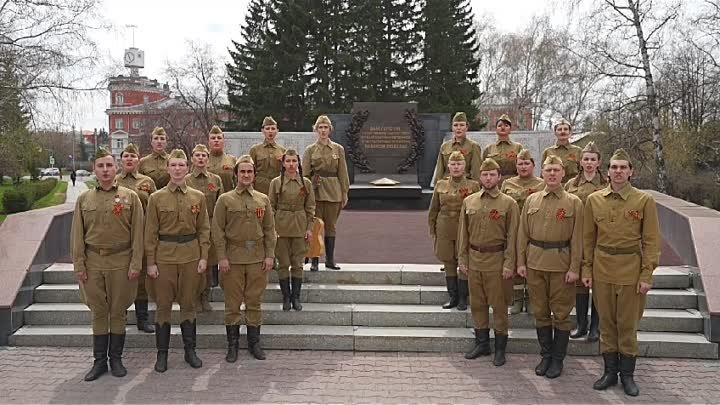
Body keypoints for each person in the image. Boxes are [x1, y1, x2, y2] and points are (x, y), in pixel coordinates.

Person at [583, 148, 660, 397]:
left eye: (623, 167)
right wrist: (587, 268)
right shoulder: (594, 200)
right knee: (606, 324)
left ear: (631, 172)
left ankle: (627, 376)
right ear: (607, 172)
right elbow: (587, 239)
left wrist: (647, 274)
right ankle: (609, 372)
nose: (618, 171)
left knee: (627, 325)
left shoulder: (643, 201)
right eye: (614, 167)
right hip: (602, 268)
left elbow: (651, 241)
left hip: (630, 269)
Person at [70, 147, 143, 381]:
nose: (105, 170)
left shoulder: (130, 197)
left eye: (109, 165)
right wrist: (79, 265)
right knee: (99, 311)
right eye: (100, 166)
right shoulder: (84, 199)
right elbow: (77, 235)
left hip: (121, 262)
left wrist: (135, 264)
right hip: (93, 263)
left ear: (116, 168)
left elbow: (138, 234)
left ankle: (117, 359)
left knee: (118, 311)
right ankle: (99, 361)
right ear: (94, 169)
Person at [517, 155, 583, 379]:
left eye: (556, 169)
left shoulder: (574, 202)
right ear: (542, 173)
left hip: (561, 265)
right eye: (548, 170)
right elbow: (522, 234)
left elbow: (577, 239)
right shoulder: (532, 200)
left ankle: (557, 359)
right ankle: (545, 355)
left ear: (564, 173)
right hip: (535, 263)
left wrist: (575, 268)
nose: (552, 174)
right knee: (541, 312)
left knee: (561, 314)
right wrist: (521, 262)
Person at [145, 149, 211, 373]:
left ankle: (190, 351)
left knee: (188, 304)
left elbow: (204, 229)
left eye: (181, 165)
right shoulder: (156, 198)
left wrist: (204, 257)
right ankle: (161, 354)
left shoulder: (197, 197)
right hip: (164, 257)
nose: (177, 169)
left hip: (191, 256)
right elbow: (150, 233)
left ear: (187, 167)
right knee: (163, 306)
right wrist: (151, 262)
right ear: (167, 168)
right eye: (173, 165)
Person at [212, 155, 276, 361]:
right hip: (233, 259)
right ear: (236, 175)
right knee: (232, 305)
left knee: (254, 302)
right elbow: (218, 230)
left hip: (257, 258)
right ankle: (232, 346)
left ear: (254, 175)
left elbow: (269, 229)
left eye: (249, 171)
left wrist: (269, 255)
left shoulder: (262, 199)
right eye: (242, 172)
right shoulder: (225, 199)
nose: (246, 175)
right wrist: (221, 257)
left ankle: (254, 344)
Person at [458, 158, 519, 367]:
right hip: (475, 260)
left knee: (499, 306)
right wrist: (462, 258)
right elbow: (462, 234)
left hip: (497, 260)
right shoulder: (469, 201)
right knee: (477, 304)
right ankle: (482, 343)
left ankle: (500, 348)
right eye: (485, 174)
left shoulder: (508, 203)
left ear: (499, 177)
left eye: (492, 174)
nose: (488, 178)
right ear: (479, 177)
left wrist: (509, 263)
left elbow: (513, 236)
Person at [565, 141, 608, 342]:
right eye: (586, 159)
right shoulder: (571, 185)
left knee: (597, 283)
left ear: (599, 162)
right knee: (580, 285)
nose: (589, 163)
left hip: (600, 238)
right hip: (577, 238)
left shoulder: (606, 185)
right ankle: (581, 324)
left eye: (593, 159)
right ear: (580, 162)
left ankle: (596, 327)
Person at [428, 151, 480, 310]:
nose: (456, 167)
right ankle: (453, 296)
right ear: (448, 166)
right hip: (444, 227)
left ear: (465, 166)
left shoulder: (473, 185)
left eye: (459, 164)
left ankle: (464, 297)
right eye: (453, 164)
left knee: (464, 261)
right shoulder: (441, 185)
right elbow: (433, 209)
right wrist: (433, 230)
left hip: (465, 227)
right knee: (448, 261)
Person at [115, 143, 157, 333]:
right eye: (126, 156)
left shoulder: (147, 182)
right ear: (121, 160)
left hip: (143, 235)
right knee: (121, 279)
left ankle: (143, 318)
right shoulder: (114, 181)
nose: (130, 159)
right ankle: (120, 318)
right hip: (121, 237)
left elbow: (155, 208)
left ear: (138, 159)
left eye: (133, 156)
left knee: (141, 280)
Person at [268, 150, 315, 311]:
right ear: (283, 163)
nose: (291, 164)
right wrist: (272, 228)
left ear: (298, 163)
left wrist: (309, 229)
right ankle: (286, 297)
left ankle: (296, 297)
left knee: (297, 264)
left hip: (299, 226)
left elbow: (310, 208)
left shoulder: (305, 183)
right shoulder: (276, 182)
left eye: (294, 161)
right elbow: (271, 207)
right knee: (283, 264)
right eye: (288, 161)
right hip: (281, 225)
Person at [501, 149, 545, 314]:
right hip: (513, 230)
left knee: (532, 266)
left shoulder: (541, 183)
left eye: (527, 163)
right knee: (514, 264)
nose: (523, 166)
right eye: (520, 163)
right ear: (516, 166)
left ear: (533, 166)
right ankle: (518, 300)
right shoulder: (507, 184)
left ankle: (532, 300)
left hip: (535, 230)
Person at [302, 115, 349, 271]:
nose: (323, 130)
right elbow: (305, 174)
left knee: (331, 226)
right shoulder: (310, 150)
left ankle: (330, 260)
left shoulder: (338, 149)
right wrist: (309, 185)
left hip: (334, 190)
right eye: (320, 127)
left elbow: (342, 172)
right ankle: (315, 260)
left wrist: (344, 192)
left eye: (326, 127)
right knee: (315, 226)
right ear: (316, 130)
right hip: (316, 191)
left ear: (330, 130)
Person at [185, 144, 224, 312]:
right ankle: (193, 297)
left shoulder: (215, 180)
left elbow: (221, 204)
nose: (201, 158)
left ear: (208, 160)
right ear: (192, 159)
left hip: (210, 225)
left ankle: (205, 297)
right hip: (191, 225)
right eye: (197, 155)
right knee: (193, 264)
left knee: (208, 264)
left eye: (204, 156)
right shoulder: (186, 180)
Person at [433, 112, 482, 182]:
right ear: (452, 128)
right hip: (447, 186)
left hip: (465, 186)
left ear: (466, 127)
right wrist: (437, 187)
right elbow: (439, 171)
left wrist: (475, 189)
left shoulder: (473, 146)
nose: (458, 128)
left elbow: (476, 172)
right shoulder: (445, 146)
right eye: (455, 125)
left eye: (462, 125)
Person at [249, 116, 287, 196]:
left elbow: (286, 171)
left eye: (273, 129)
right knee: (260, 208)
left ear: (277, 131)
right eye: (267, 128)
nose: (270, 131)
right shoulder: (255, 149)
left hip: (276, 185)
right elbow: (250, 170)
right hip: (259, 186)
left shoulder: (282, 150)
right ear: (262, 130)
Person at [482, 114, 524, 183]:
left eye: (506, 125)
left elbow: (523, 166)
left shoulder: (518, 147)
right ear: (496, 129)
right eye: (500, 125)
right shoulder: (489, 148)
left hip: (513, 183)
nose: (503, 127)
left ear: (510, 130)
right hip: (493, 183)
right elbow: (483, 168)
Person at [542, 118, 583, 183]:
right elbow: (543, 175)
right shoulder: (548, 151)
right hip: (553, 187)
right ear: (555, 132)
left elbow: (583, 173)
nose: (563, 132)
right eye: (559, 129)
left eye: (565, 129)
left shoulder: (578, 151)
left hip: (572, 187)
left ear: (570, 132)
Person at [207, 125, 237, 193]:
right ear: (208, 142)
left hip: (228, 199)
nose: (216, 140)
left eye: (219, 138)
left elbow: (237, 183)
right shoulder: (202, 160)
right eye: (213, 138)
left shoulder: (232, 160)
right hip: (209, 200)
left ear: (223, 142)